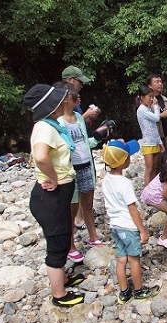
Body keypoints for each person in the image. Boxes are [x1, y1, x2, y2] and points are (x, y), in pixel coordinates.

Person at [25, 84, 85, 307]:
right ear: (53, 106)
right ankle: (59, 294)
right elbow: (40, 157)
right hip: (51, 195)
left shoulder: (51, 125)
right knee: (57, 241)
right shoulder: (45, 128)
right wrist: (55, 177)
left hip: (57, 194)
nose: (65, 102)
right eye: (61, 100)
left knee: (63, 232)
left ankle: (64, 278)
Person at [101, 140, 160, 304]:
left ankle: (124, 292)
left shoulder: (107, 180)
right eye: (128, 156)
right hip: (128, 226)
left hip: (115, 226)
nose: (130, 158)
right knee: (134, 259)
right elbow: (132, 209)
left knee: (121, 260)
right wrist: (142, 230)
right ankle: (139, 291)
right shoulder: (125, 183)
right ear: (123, 162)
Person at [56, 82, 104, 263]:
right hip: (71, 169)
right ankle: (71, 246)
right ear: (65, 98)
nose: (78, 95)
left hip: (86, 165)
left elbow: (85, 141)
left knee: (88, 206)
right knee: (71, 209)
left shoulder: (78, 116)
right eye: (73, 93)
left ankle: (93, 237)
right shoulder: (59, 121)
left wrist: (99, 136)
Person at [62, 65, 101, 230]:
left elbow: (81, 135)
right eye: (79, 82)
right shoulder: (61, 109)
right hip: (71, 164)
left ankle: (83, 217)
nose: (82, 86)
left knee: (86, 190)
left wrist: (98, 136)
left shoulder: (76, 112)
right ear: (70, 80)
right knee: (74, 194)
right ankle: (76, 220)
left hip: (85, 157)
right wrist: (86, 116)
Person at [136, 85, 167, 185]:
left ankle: (153, 188)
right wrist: (155, 106)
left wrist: (159, 141)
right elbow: (156, 118)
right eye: (149, 97)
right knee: (149, 168)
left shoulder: (147, 109)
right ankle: (147, 191)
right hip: (148, 143)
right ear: (142, 97)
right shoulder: (141, 110)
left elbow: (154, 128)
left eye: (152, 97)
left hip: (154, 141)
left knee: (155, 167)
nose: (151, 99)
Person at [146, 74, 167, 147]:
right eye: (157, 82)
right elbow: (146, 118)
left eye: (161, 82)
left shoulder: (165, 99)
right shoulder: (147, 100)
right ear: (150, 85)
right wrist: (161, 115)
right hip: (155, 137)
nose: (160, 84)